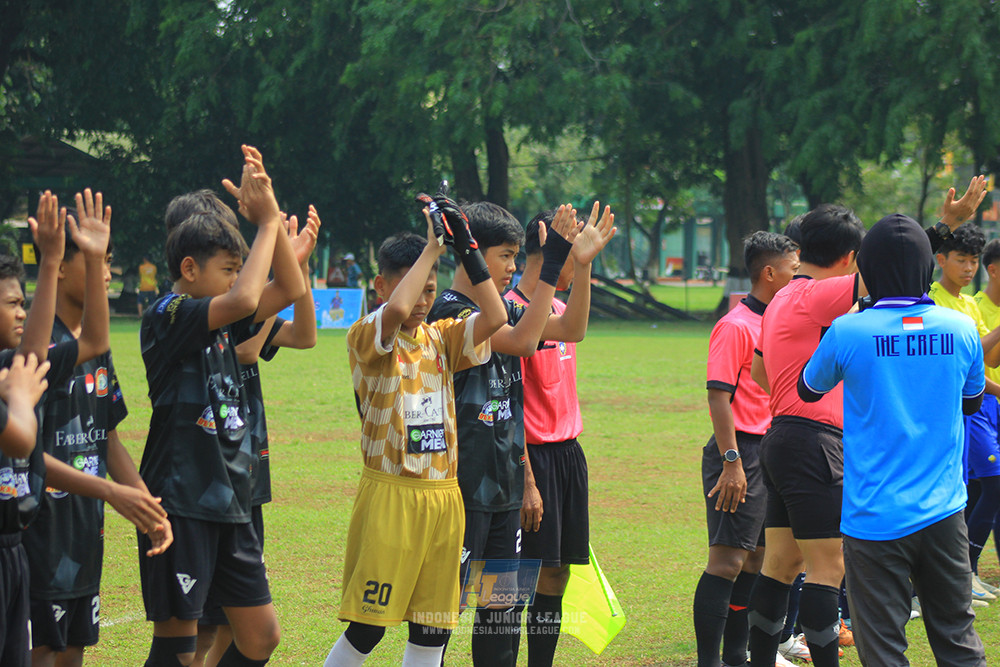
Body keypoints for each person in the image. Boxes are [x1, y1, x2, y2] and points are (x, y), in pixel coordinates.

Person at [137, 145, 305, 667]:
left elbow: (293, 288)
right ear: (189, 268)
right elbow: (243, 299)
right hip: (180, 501)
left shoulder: (221, 316)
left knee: (261, 638)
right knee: (179, 647)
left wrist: (271, 216)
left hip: (230, 501)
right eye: (227, 268)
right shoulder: (169, 312)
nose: (237, 279)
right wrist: (266, 225)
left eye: (239, 269)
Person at [323, 193, 507, 667]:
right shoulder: (367, 334)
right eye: (412, 289)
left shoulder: (442, 338)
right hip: (393, 496)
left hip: (444, 498)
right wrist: (430, 248)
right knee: (367, 628)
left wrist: (466, 248)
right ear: (382, 286)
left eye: (431, 289)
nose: (423, 301)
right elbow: (396, 311)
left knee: (431, 632)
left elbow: (498, 317)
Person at [427, 200, 613, 666]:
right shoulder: (450, 311)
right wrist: (553, 263)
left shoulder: (495, 310)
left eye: (515, 255)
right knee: (443, 612)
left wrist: (581, 266)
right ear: (472, 252)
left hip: (501, 487)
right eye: (504, 256)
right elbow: (525, 340)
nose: (511, 266)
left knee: (499, 614)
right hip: (463, 487)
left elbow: (570, 327)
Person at [798, 213, 987, 666]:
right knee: (957, 638)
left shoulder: (849, 330)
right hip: (943, 510)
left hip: (873, 517)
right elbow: (972, 401)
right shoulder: (961, 328)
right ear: (927, 267)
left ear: (868, 268)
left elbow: (808, 387)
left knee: (882, 647)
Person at [26, 190, 173, 667]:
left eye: (108, 260)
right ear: (59, 266)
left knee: (72, 655)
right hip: (37, 532)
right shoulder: (32, 348)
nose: (107, 273)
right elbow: (24, 455)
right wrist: (114, 493)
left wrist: (146, 504)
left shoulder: (96, 348)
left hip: (84, 533)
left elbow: (107, 437)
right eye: (93, 258)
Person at [195, 209, 321, 667]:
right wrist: (285, 275)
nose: (235, 275)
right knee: (206, 624)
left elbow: (306, 335)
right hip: (212, 485)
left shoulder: (249, 315)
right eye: (230, 268)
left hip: (246, 478)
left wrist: (299, 269)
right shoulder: (219, 318)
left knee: (233, 622)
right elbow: (246, 351)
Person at [504, 205, 610, 667]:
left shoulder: (560, 309)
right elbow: (505, 407)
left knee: (557, 572)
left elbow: (577, 331)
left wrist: (583, 265)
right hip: (530, 457)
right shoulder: (507, 312)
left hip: (567, 455)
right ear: (547, 244)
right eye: (570, 248)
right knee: (511, 579)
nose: (575, 258)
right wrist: (527, 478)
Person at [693, 231, 799, 667]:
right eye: (794, 270)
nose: (798, 277)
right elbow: (718, 395)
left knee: (756, 561)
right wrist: (731, 461)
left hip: (770, 451)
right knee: (726, 562)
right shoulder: (735, 324)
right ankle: (708, 660)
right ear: (770, 273)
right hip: (740, 453)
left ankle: (738, 655)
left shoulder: (778, 320)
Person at [929, 224, 1000, 604]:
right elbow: (961, 362)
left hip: (978, 408)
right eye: (962, 259)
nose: (969, 267)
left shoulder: (970, 304)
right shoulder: (935, 301)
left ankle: (963, 576)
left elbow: (984, 360)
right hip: (952, 412)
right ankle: (956, 576)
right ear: (941, 260)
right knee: (988, 483)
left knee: (969, 491)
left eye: (974, 260)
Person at [0, 352, 51, 667]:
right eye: (12, 302)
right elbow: (22, 441)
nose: (21, 310)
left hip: (11, 546)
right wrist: (20, 399)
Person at [971, 238, 1000, 598]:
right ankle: (967, 570)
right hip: (982, 407)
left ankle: (971, 571)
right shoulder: (975, 306)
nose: (968, 267)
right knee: (988, 487)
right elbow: (981, 361)